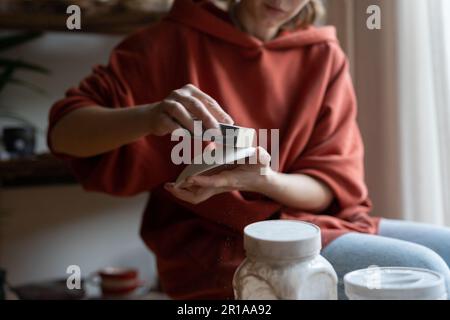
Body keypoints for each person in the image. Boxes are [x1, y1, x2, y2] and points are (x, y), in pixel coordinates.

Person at [48, 0, 450, 299]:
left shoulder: (322, 57)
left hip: (310, 223)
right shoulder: (170, 43)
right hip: (218, 246)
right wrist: (150, 116)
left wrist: (265, 179)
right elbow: (64, 132)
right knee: (426, 269)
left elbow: (328, 186)